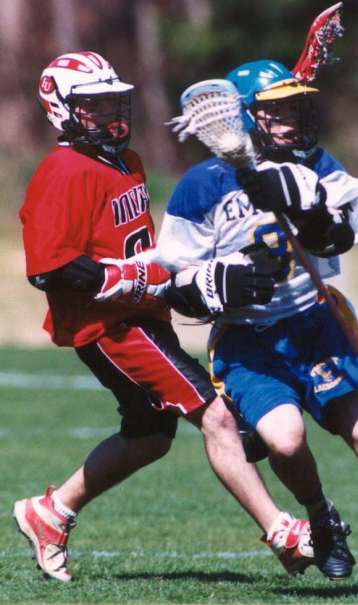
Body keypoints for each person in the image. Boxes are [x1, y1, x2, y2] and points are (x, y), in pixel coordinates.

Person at [145, 60, 358, 602]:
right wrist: (213, 283)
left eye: (296, 107)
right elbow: (172, 280)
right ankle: (322, 516)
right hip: (249, 341)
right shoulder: (202, 185)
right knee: (285, 441)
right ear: (245, 118)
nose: (293, 120)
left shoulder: (316, 166)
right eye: (278, 111)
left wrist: (309, 206)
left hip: (317, 325)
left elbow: (340, 236)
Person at [12, 51, 328, 583]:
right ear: (62, 109)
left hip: (141, 315)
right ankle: (281, 529)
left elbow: (144, 251)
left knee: (150, 435)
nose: (110, 112)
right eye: (94, 104)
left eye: (113, 101)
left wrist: (189, 277)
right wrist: (131, 280)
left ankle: (52, 512)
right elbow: (50, 268)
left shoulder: (126, 161)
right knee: (216, 415)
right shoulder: (64, 170)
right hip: (110, 327)